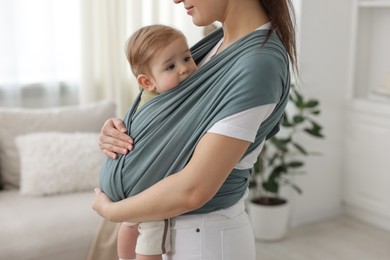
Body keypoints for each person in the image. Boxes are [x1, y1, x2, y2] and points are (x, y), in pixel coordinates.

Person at [93, 0, 298, 259]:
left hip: (202, 241)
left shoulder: (257, 64)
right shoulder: (216, 45)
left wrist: (113, 211)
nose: (176, 0)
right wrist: (122, 129)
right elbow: (167, 111)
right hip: (173, 233)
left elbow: (195, 190)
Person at [100, 24, 197, 260]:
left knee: (129, 227)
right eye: (171, 66)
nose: (185, 69)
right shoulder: (170, 101)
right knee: (151, 234)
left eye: (187, 57)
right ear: (147, 82)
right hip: (147, 191)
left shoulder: (152, 96)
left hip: (131, 192)